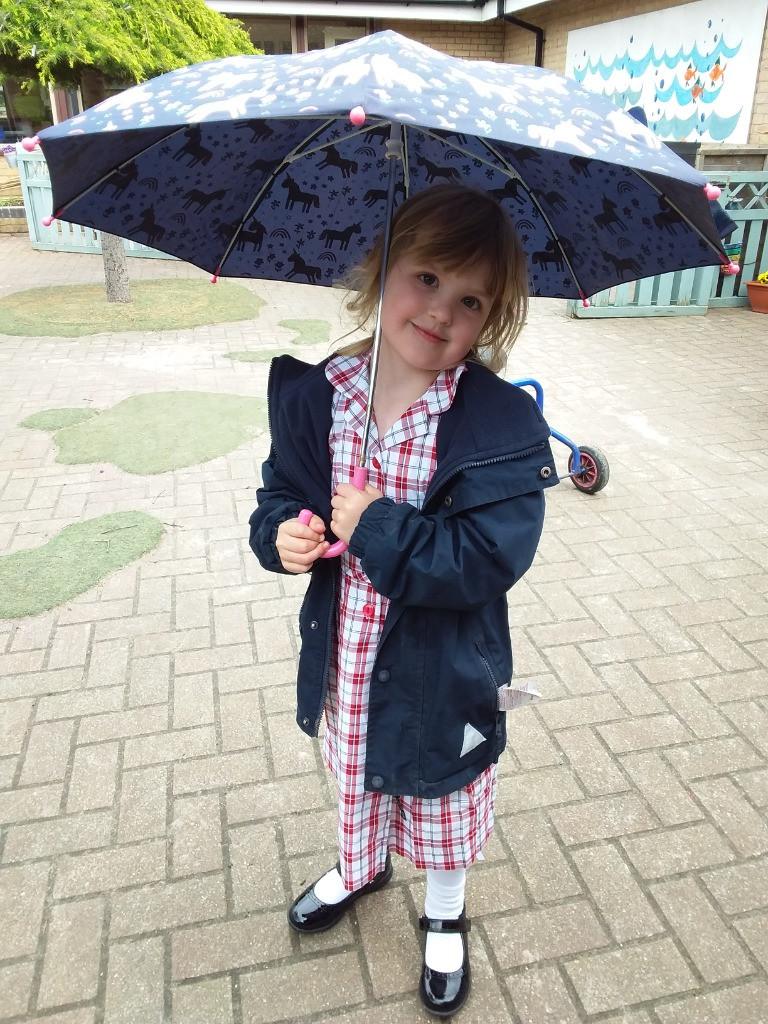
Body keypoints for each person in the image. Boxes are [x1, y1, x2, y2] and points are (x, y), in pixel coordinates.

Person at [249, 184, 558, 1017]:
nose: (440, 311)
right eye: (424, 278)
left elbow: (486, 559)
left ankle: (447, 910)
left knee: (444, 793)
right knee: (357, 775)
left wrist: (381, 527)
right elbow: (280, 491)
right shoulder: (326, 393)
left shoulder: (495, 426)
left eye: (470, 300)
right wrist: (282, 534)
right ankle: (360, 865)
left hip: (446, 668)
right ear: (380, 272)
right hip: (350, 656)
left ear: (489, 320)